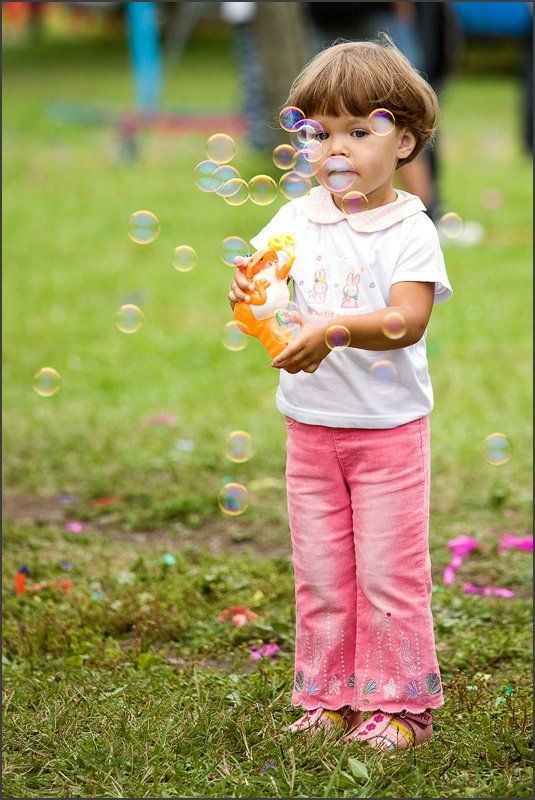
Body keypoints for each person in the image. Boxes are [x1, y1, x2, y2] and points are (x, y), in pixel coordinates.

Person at [227, 37, 452, 751]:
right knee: (321, 573)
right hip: (310, 428)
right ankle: (326, 695)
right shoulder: (298, 216)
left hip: (386, 432)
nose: (336, 149)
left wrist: (330, 330)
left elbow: (406, 318)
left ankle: (397, 706)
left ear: (406, 139)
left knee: (387, 576)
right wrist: (247, 289)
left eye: (360, 131)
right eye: (319, 132)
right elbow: (261, 280)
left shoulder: (408, 228)